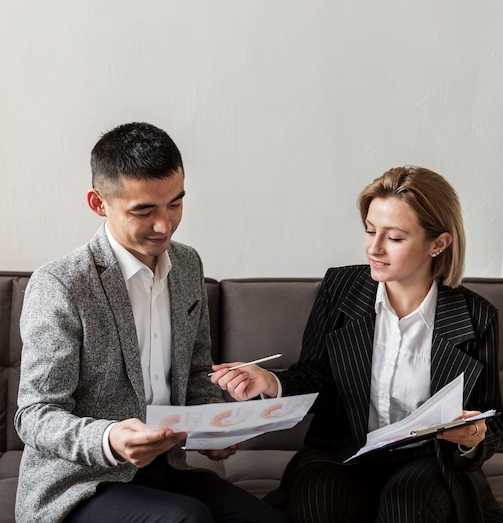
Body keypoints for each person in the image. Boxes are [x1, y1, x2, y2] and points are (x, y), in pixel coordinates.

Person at [15, 122, 286, 523]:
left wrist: (216, 430)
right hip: (81, 483)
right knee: (187, 519)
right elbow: (35, 414)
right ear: (98, 202)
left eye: (175, 203)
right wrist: (109, 440)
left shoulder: (188, 265)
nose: (165, 225)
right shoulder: (61, 284)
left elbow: (196, 372)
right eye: (144, 210)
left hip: (165, 470)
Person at [210, 166, 503, 523]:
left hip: (430, 460)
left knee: (406, 505)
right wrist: (271, 382)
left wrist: (472, 435)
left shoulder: (476, 315)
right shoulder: (341, 288)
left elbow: (492, 419)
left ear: (438, 243)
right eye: (369, 231)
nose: (374, 248)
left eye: (394, 238)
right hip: (342, 451)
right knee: (320, 498)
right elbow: (315, 376)